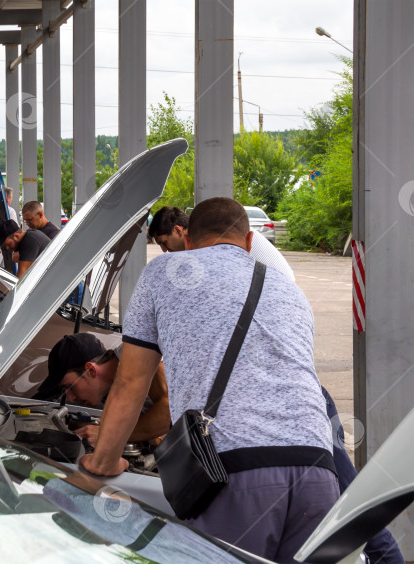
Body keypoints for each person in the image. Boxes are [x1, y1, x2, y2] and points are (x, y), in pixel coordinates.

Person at [82, 197, 338, 563]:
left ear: (186, 240)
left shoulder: (164, 272)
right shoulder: (290, 290)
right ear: (250, 243)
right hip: (319, 472)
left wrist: (103, 461)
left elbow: (131, 382)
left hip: (234, 476)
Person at [35, 334, 170, 447]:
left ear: (91, 370)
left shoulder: (138, 351)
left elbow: (169, 410)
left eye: (69, 387)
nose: (70, 398)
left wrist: (110, 436)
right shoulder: (120, 383)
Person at [149, 206, 295, 280]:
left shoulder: (215, 245)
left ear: (178, 231)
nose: (164, 250)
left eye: (164, 242)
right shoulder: (199, 249)